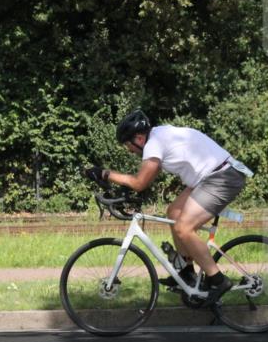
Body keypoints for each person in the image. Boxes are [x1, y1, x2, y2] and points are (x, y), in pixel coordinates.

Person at [85, 109, 252, 305]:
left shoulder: (154, 143)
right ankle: (186, 273)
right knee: (173, 212)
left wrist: (104, 174)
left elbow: (140, 183)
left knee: (184, 227)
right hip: (209, 177)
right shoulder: (160, 136)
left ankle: (218, 281)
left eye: (128, 146)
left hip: (222, 177)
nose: (129, 151)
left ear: (139, 138)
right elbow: (145, 180)